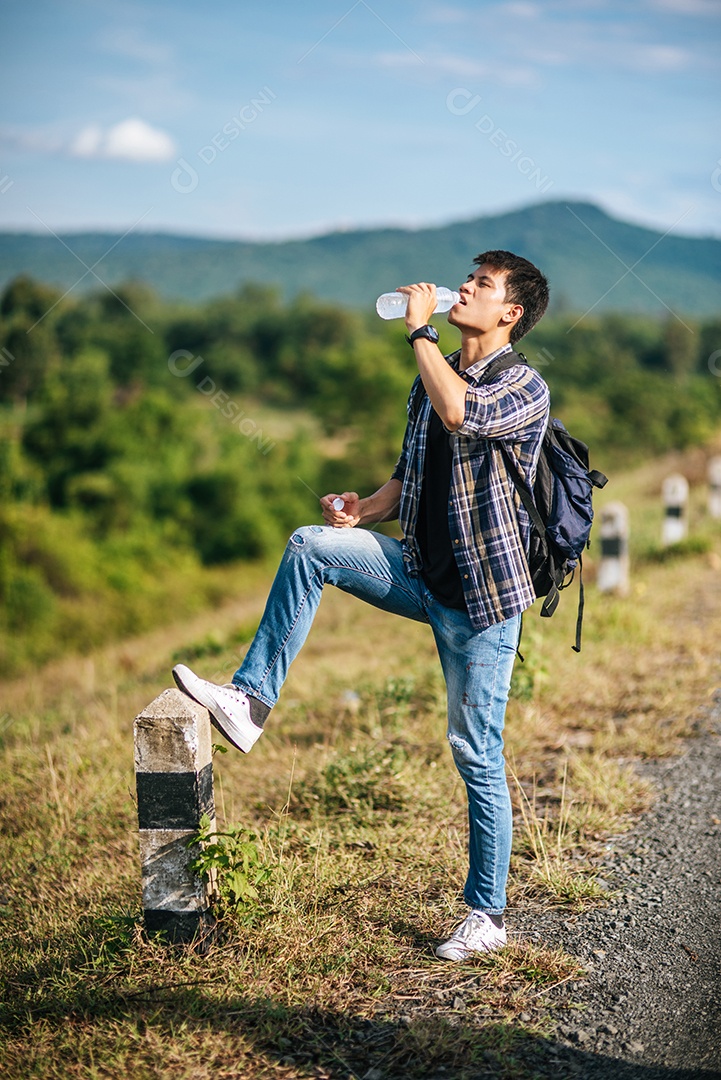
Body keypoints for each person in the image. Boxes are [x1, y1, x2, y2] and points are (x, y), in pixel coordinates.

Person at [173, 249, 550, 961]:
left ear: (511, 313)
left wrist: (418, 335)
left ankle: (486, 914)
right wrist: (361, 509)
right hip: (420, 572)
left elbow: (459, 412)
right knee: (311, 544)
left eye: (482, 285)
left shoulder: (522, 386)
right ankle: (250, 702)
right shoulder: (429, 377)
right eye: (465, 279)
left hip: (483, 601)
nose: (462, 288)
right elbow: (408, 473)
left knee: (474, 749)